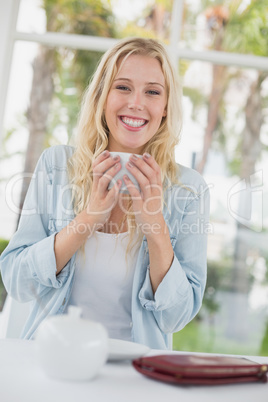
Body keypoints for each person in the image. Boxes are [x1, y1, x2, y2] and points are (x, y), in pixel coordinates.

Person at [0, 37, 210, 350]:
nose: (136, 103)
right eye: (123, 87)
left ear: (165, 107)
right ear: (102, 95)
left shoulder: (189, 190)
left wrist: (155, 226)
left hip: (136, 376)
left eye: (152, 91)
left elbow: (175, 317)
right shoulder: (57, 166)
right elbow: (18, 282)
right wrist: (87, 219)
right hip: (54, 361)